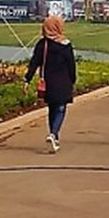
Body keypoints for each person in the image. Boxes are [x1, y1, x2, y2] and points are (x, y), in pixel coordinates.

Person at [24, 15, 76, 154]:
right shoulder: (66, 45)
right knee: (60, 108)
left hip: (48, 82)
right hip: (63, 82)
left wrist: (27, 79)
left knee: (52, 108)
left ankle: (54, 136)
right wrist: (73, 80)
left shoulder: (43, 44)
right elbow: (71, 65)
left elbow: (34, 63)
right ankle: (53, 134)